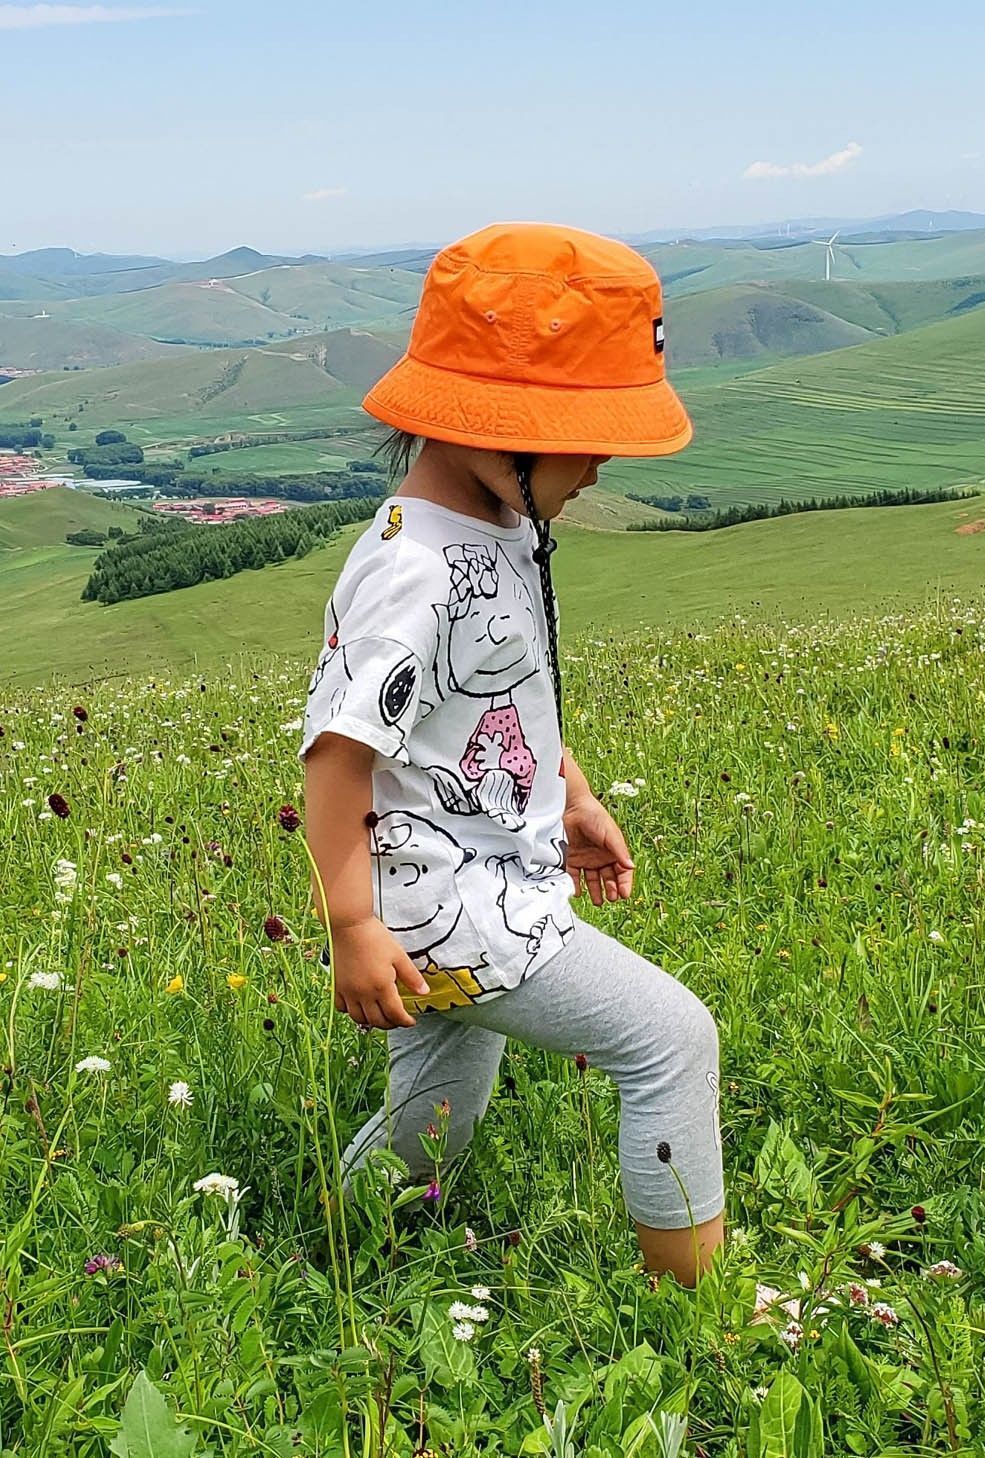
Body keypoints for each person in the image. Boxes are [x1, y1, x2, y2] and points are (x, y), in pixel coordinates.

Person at [299, 222, 725, 1283]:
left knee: (435, 1112)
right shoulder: (417, 572)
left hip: (463, 882)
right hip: (451, 902)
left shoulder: (498, 532)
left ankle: (324, 1260)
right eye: (588, 436)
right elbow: (336, 756)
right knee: (671, 1040)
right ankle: (694, 1315)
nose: (601, 464)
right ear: (504, 426)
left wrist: (569, 795)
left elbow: (494, 700)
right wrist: (351, 922)